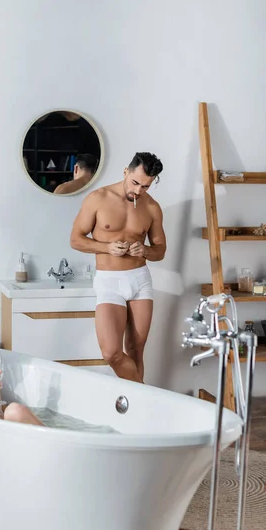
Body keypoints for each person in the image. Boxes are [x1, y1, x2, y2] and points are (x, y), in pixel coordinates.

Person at [70, 152, 166, 384]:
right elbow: (75, 239)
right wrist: (106, 247)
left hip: (140, 280)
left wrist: (145, 251)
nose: (139, 190)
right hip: (109, 281)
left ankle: (136, 411)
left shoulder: (152, 207)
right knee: (111, 353)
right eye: (135, 183)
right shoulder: (98, 198)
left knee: (135, 350)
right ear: (126, 172)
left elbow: (160, 250)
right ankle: (147, 395)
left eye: (146, 186)